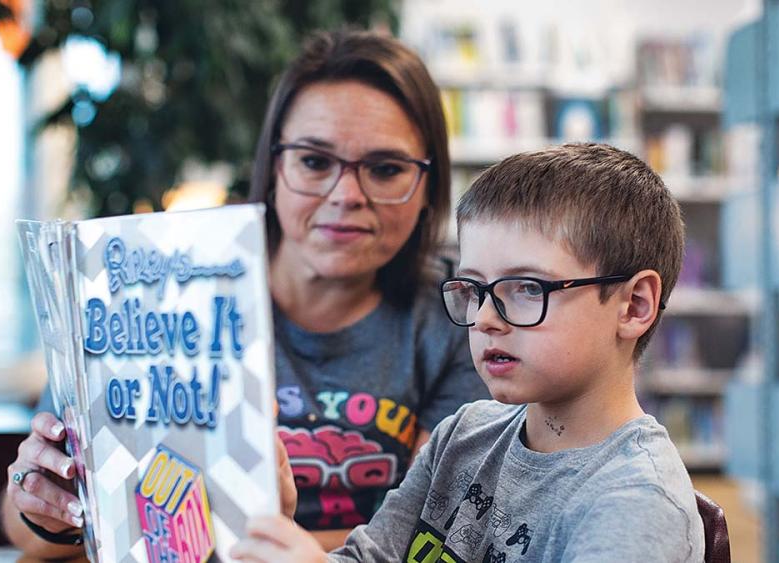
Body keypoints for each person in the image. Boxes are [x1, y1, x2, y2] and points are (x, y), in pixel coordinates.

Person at [0, 29, 487, 558]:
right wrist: (47, 506)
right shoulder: (158, 290)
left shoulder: (460, 315)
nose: (346, 194)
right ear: (274, 169)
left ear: (429, 186)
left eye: (386, 169)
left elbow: (434, 534)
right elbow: (27, 532)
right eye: (314, 162)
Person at [230, 143, 707, 562]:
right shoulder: (461, 438)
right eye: (474, 289)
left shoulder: (638, 502)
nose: (484, 318)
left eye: (527, 287)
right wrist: (275, 525)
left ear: (634, 305)